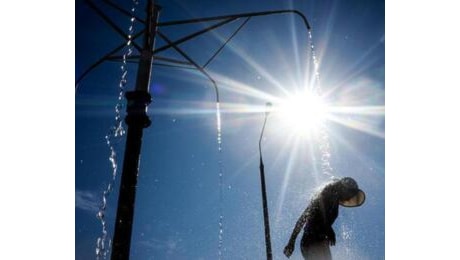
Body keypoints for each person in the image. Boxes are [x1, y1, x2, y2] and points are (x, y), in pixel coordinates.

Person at [283, 177, 365, 259]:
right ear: (345, 189)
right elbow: (304, 216)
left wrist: (329, 229)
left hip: (321, 242)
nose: (349, 199)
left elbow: (322, 219)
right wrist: (291, 242)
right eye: (350, 195)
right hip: (311, 241)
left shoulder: (335, 202)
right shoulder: (326, 193)